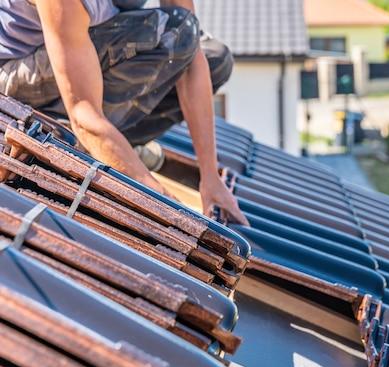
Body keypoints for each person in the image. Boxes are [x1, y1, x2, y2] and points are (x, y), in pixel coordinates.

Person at [0, 0, 248, 224]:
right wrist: (161, 200)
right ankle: (73, 137)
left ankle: (114, 144)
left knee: (213, 57)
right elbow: (83, 112)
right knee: (174, 29)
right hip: (18, 74)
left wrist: (210, 179)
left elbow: (191, 55)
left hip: (83, 46)